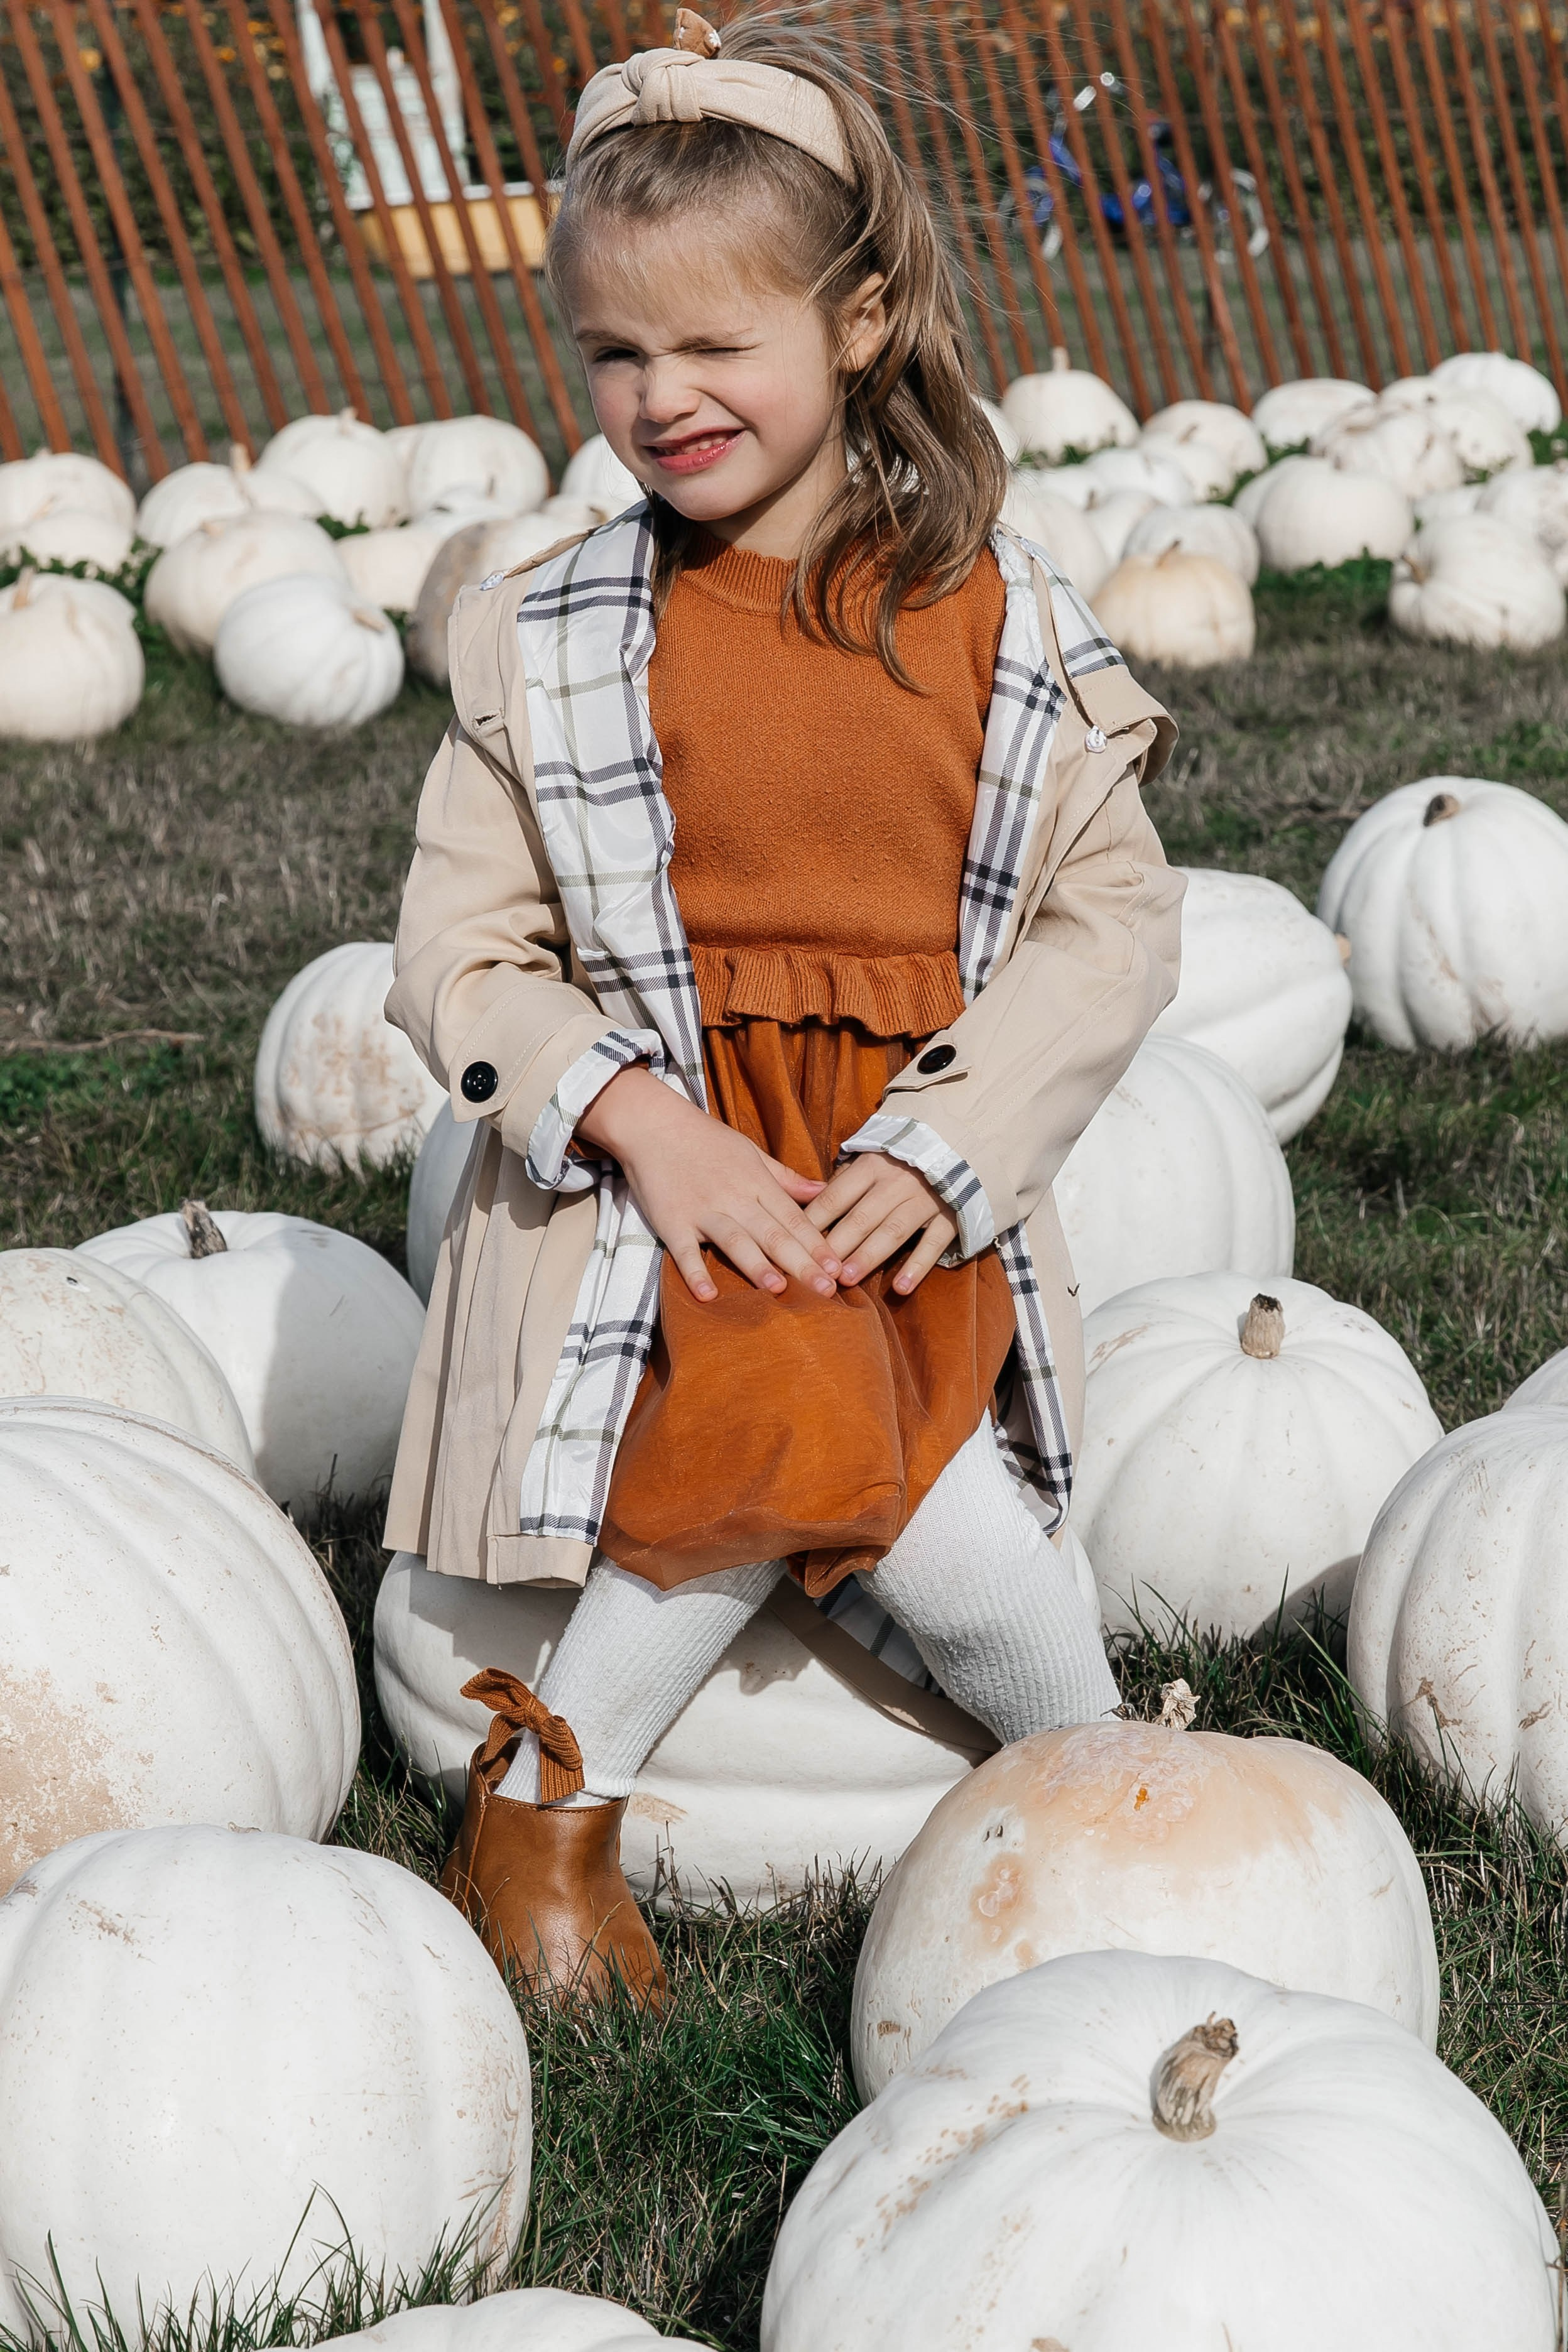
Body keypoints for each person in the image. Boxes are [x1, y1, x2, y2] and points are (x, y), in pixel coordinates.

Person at [383, 7, 1182, 2008]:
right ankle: (1072, 1784)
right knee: (813, 1416)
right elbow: (459, 956)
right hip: (676, 1180)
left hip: (902, 1160)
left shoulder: (997, 620)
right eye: (615, 354)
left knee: (934, 1499)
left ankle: (1059, 1781)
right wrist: (641, 1123)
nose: (661, 399)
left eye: (713, 344)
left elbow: (1115, 924)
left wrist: (954, 1142)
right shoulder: (550, 638)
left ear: (859, 315)